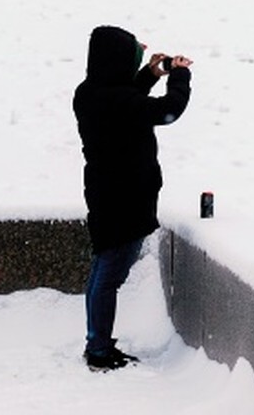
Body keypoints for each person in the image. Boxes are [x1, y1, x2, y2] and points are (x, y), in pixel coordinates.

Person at [73, 24, 193, 371]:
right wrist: (180, 76)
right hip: (125, 198)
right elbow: (167, 109)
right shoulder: (118, 100)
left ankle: (96, 342)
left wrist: (151, 72)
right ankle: (98, 350)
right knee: (110, 273)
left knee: (102, 269)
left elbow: (126, 99)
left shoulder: (89, 92)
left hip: (105, 193)